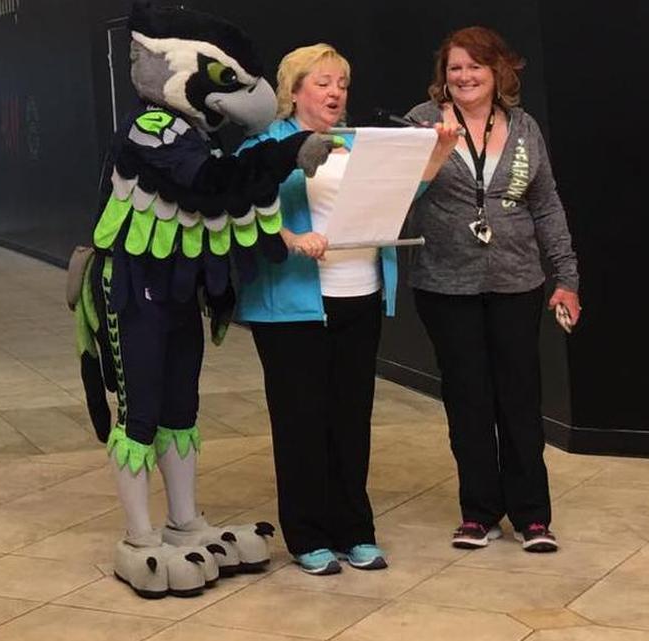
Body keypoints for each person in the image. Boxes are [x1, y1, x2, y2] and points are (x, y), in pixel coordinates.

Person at [73, 5, 340, 598]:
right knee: (140, 409)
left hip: (175, 289)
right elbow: (208, 184)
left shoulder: (195, 132)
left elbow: (220, 196)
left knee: (181, 405)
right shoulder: (152, 129)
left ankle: (184, 520)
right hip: (132, 287)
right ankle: (139, 536)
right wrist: (285, 152)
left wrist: (278, 159)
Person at [237, 44, 459, 575]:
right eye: (323, 83)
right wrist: (290, 238)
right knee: (301, 422)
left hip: (360, 294)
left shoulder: (359, 142)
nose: (335, 93)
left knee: (350, 419)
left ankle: (355, 530)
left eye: (342, 84)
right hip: (291, 309)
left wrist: (439, 153)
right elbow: (240, 207)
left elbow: (400, 194)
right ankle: (307, 535)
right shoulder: (265, 145)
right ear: (294, 91)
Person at [405, 26, 580, 553]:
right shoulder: (421, 122)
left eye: (474, 66)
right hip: (445, 285)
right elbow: (400, 195)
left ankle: (532, 516)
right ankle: (478, 512)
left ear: (498, 70)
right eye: (455, 67)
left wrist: (566, 277)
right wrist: (435, 154)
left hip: (517, 282)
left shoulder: (523, 127)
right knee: (468, 399)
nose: (464, 76)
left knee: (519, 399)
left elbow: (545, 204)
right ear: (444, 75)